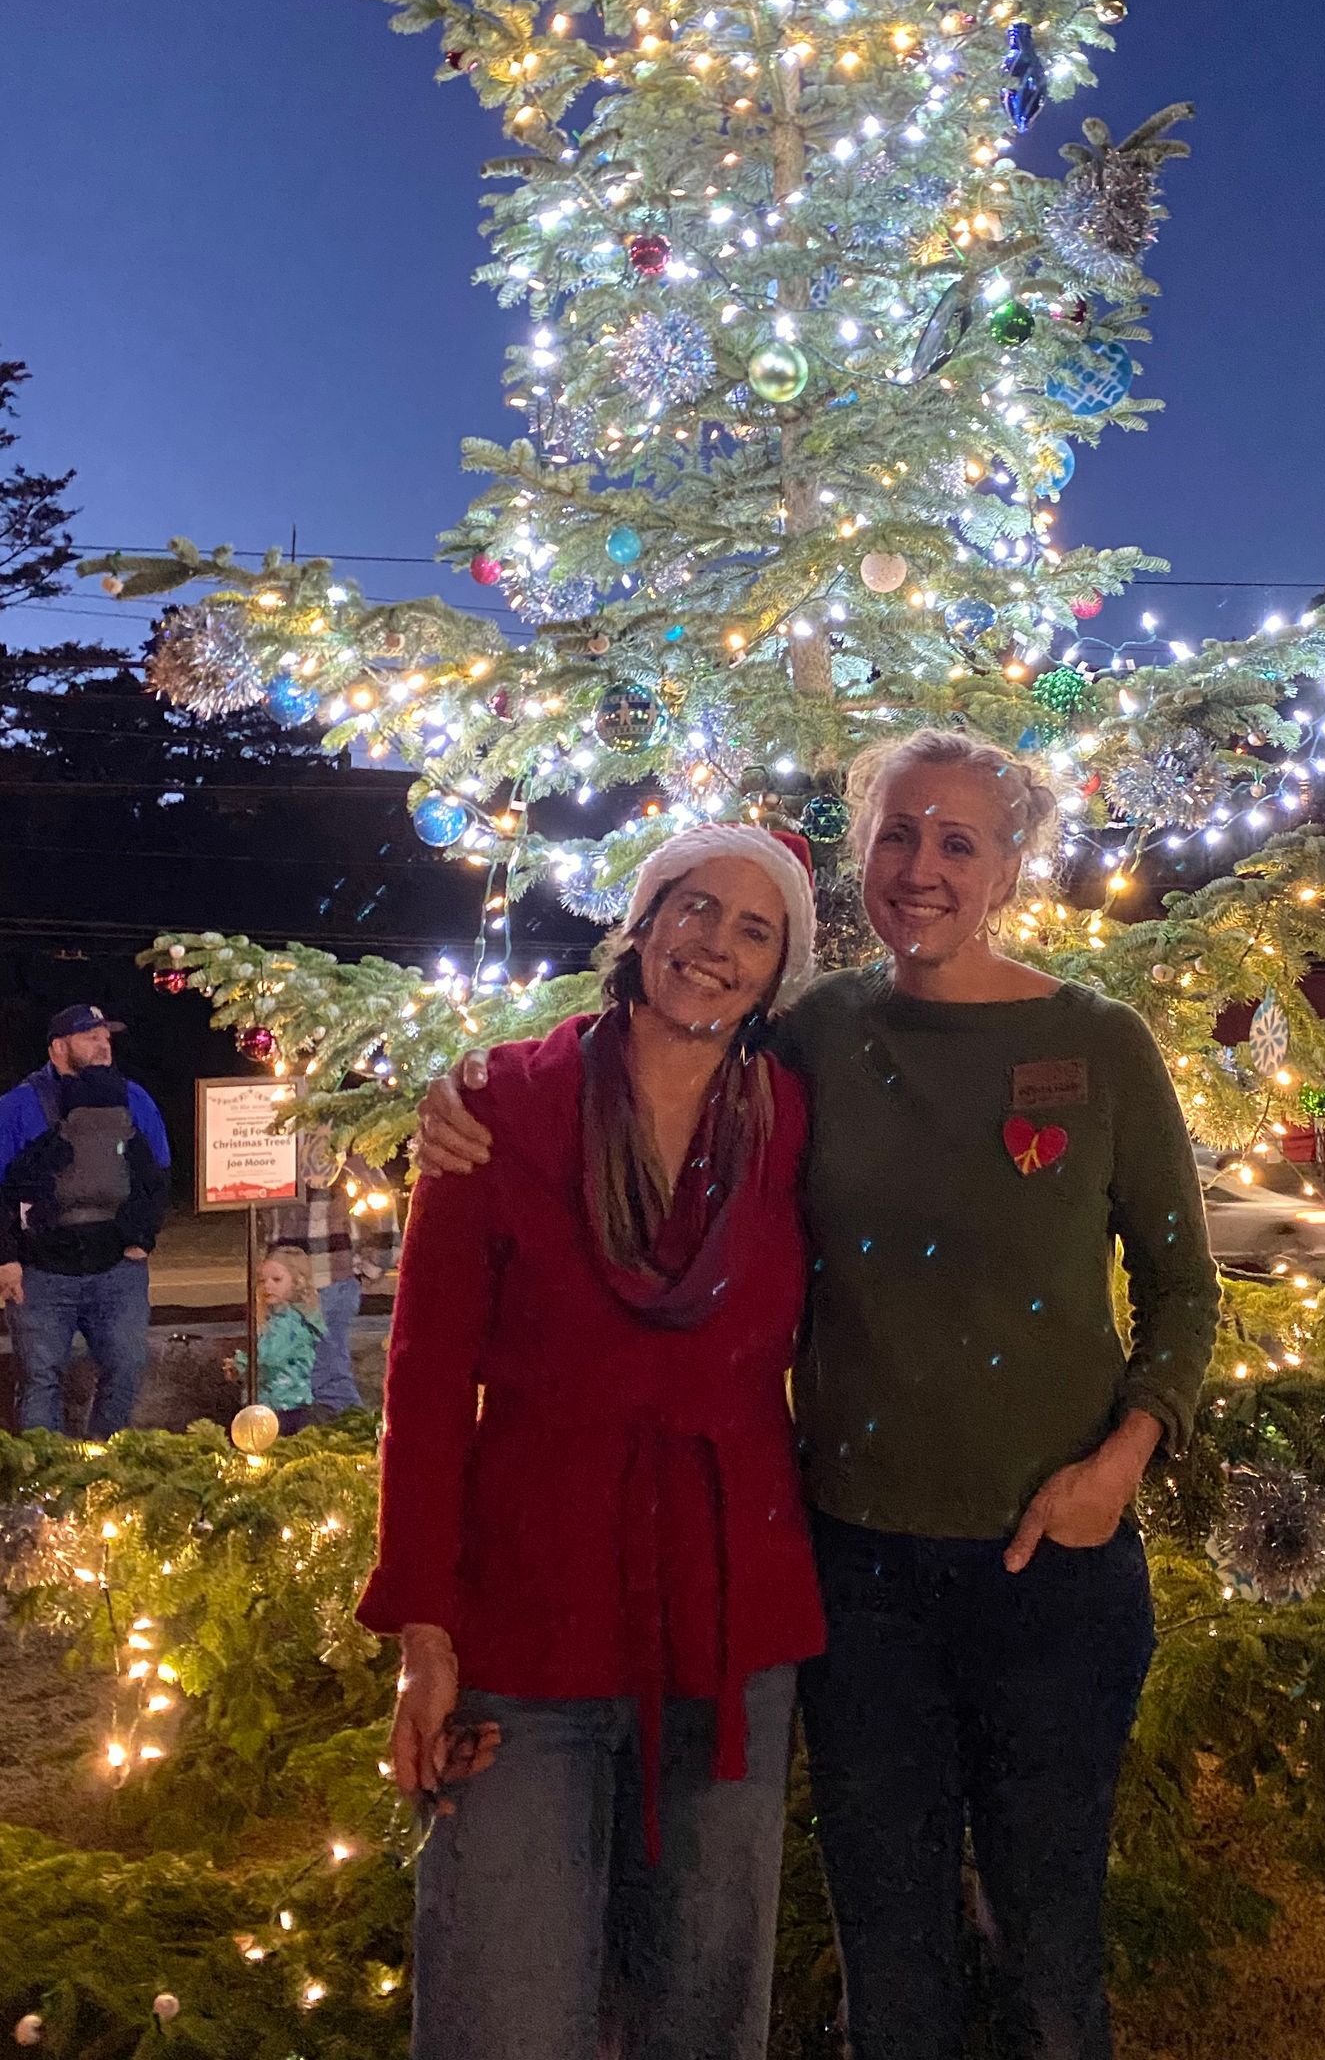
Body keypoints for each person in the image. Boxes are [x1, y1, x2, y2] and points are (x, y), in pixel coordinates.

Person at [417, 732, 1219, 2060]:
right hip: (862, 1582)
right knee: (889, 1966)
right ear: (862, 852)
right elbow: (644, 1042)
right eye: (898, 834)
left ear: (1011, 867)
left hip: (1055, 1572)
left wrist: (1123, 1460)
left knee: (1052, 1957)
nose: (921, 868)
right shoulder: (817, 1035)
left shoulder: (1100, 1043)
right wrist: (466, 1099)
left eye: (959, 842)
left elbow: (1187, 1291)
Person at [358, 828, 826, 2060]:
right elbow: (425, 1373)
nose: (714, 944)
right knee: (504, 2013)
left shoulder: (796, 1125)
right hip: (529, 1625)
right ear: (641, 922)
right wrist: (424, 1628)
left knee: (703, 2019)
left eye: (754, 929)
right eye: (692, 907)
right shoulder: (502, 1104)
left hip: (732, 1623)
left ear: (779, 977)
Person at [0, 1002, 170, 1439]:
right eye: (90, 1036)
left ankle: (102, 1468)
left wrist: (142, 1239)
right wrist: (2, 1258)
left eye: (106, 1037)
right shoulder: (19, 1105)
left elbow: (157, 1177)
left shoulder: (134, 1099)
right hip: (41, 1273)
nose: (103, 1044)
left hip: (117, 1270)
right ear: (59, 1047)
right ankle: (45, 1480)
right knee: (40, 1379)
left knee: (127, 1366)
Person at [265, 1145, 400, 1414]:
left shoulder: (348, 1162)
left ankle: (349, 1432)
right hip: (285, 1287)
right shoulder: (276, 1156)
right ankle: (304, 1438)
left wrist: (367, 1269)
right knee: (289, 1374)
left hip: (329, 1283)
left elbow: (383, 1217)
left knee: (326, 1373)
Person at [229, 1245, 329, 1433]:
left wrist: (241, 1363)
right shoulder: (278, 1319)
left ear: (296, 1282)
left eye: (276, 1279)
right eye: (262, 1281)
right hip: (281, 1402)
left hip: (282, 1405)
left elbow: (270, 1359)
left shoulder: (289, 1322)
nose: (267, 1286)